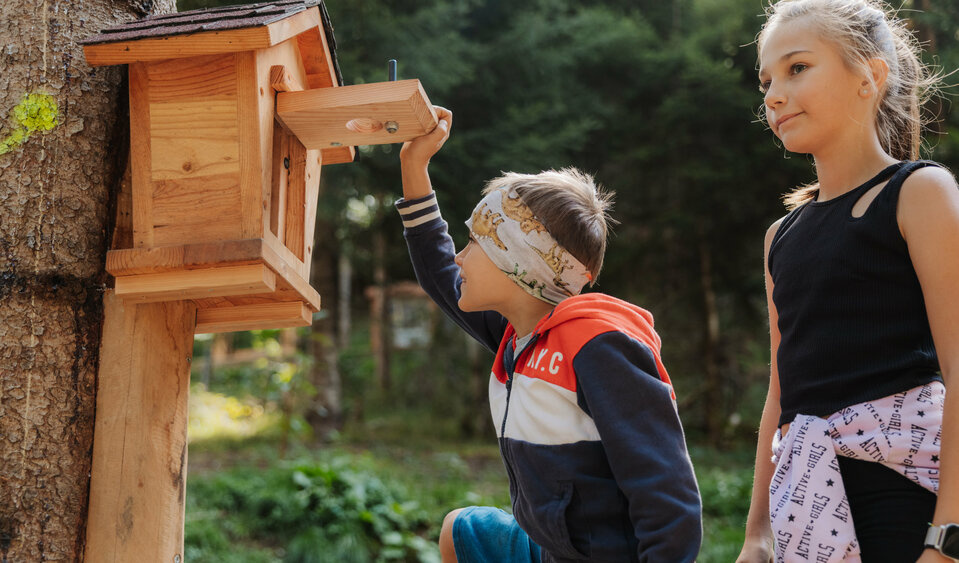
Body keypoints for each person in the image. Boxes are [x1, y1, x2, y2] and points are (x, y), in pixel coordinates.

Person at [395, 106, 702, 562]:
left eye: (475, 243)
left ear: (519, 265)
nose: (460, 258)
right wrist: (413, 167)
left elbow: (670, 503)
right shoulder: (519, 335)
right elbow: (439, 273)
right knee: (461, 531)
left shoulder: (599, 348)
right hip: (551, 550)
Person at [737, 1, 959, 562]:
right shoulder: (779, 237)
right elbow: (780, 395)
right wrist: (756, 536)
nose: (772, 95)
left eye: (796, 68)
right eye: (765, 81)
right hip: (803, 511)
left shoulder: (920, 194)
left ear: (870, 74)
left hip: (906, 510)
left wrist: (947, 539)